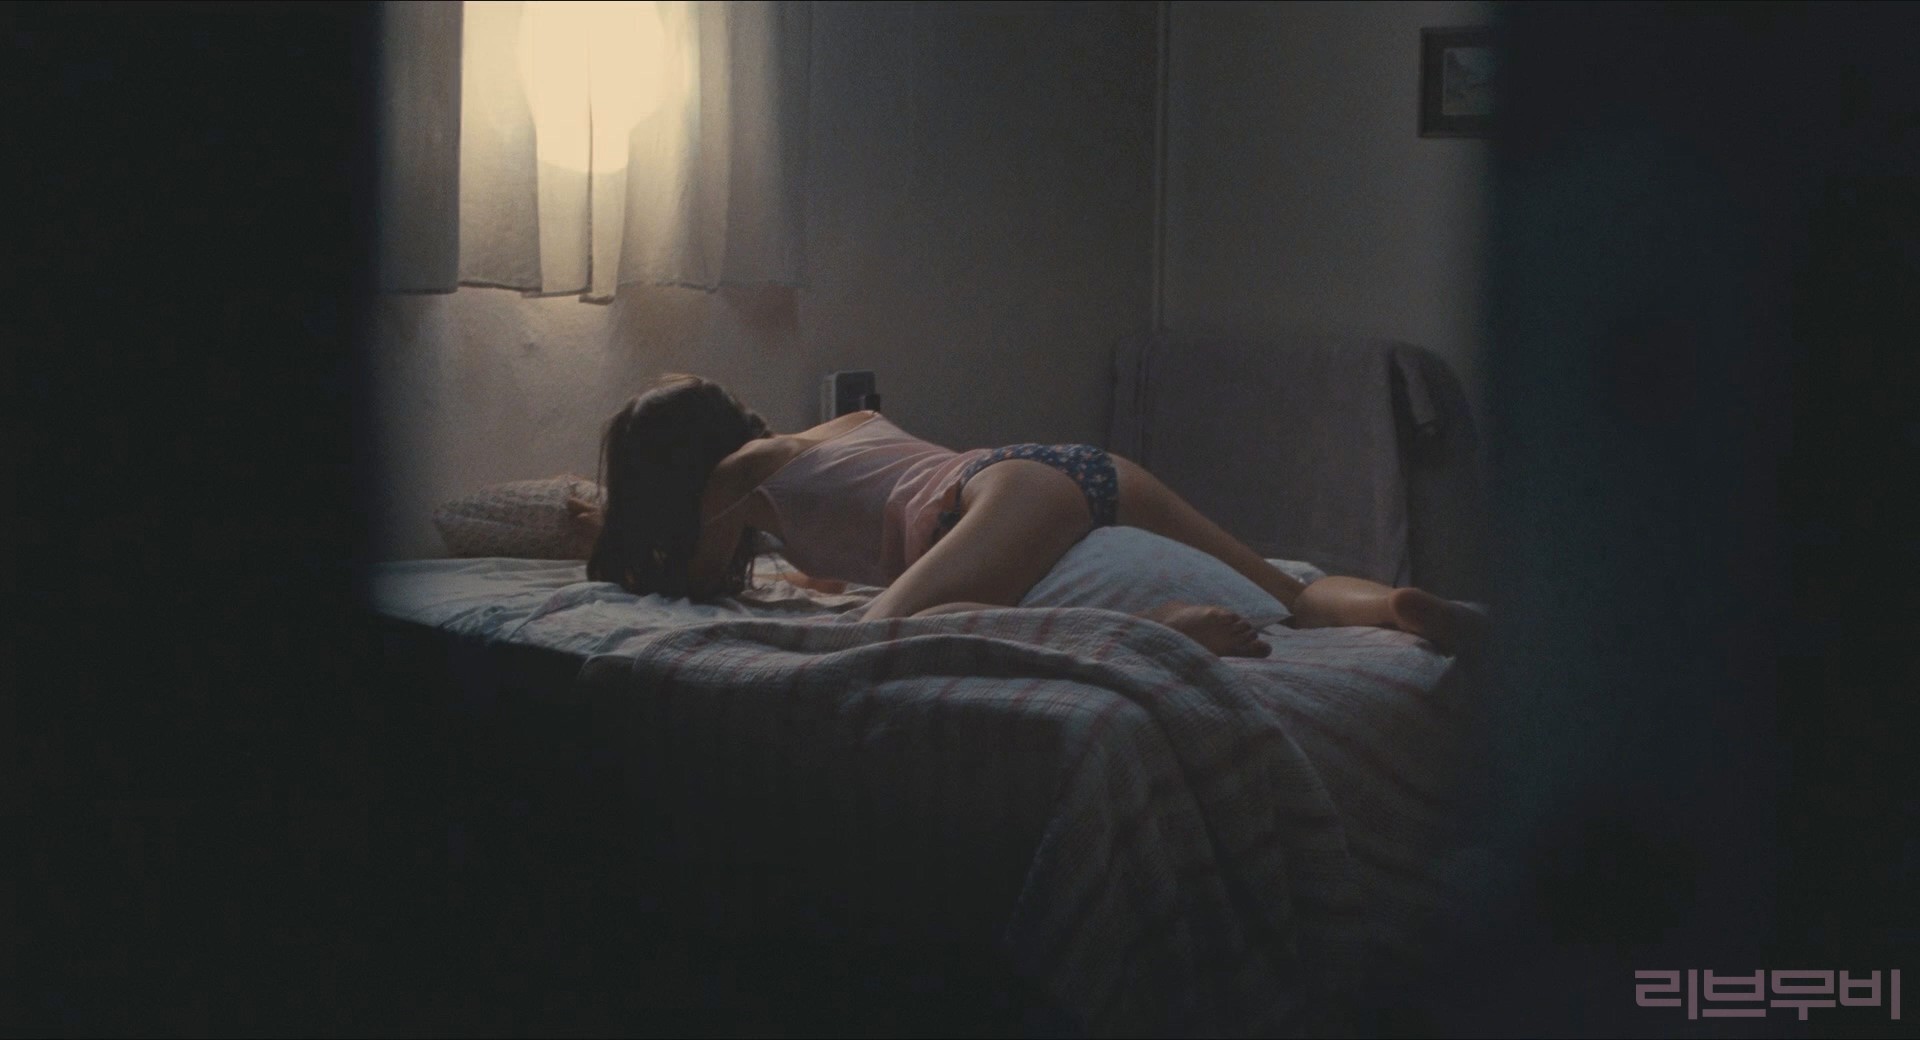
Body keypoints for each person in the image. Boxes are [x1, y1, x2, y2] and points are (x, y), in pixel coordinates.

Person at [575, 374, 1484, 658]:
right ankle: (1395, 607)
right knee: (1293, 592)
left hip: (996, 496)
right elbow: (851, 527)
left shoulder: (733, 477)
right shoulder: (832, 433)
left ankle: (1150, 628)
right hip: (1072, 470)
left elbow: (694, 577)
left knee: (875, 638)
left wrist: (616, 540)